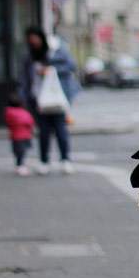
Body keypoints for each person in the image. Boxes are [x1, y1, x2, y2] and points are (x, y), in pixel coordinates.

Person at [19, 27, 81, 174]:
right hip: (37, 98)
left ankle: (65, 159)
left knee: (60, 129)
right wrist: (23, 96)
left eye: (35, 38)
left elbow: (71, 66)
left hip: (56, 97)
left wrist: (50, 69)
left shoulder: (56, 51)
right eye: (30, 39)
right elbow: (25, 79)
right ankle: (44, 161)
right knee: (44, 131)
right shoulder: (29, 56)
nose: (33, 41)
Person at [4, 91, 35, 176]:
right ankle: (21, 166)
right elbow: (30, 122)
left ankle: (19, 165)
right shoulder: (24, 112)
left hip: (16, 136)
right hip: (25, 135)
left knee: (18, 152)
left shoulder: (8, 112)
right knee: (22, 152)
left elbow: (9, 123)